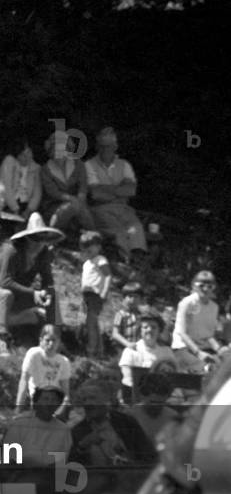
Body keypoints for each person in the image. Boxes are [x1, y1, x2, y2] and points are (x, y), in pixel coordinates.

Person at [0, 213, 62, 355]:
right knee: (6, 294)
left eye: (42, 240)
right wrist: (33, 293)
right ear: (27, 238)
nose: (38, 244)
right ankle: (1, 339)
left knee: (53, 295)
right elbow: (5, 282)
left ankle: (56, 338)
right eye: (35, 239)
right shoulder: (12, 250)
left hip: (19, 295)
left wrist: (46, 293)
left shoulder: (43, 254)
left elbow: (47, 279)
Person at [84, 127, 147, 264]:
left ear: (115, 146)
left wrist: (107, 190)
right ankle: (125, 259)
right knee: (118, 230)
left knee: (135, 226)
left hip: (123, 208)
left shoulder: (124, 165)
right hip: (100, 209)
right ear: (97, 147)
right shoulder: (89, 165)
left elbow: (131, 190)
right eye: (103, 146)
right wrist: (119, 191)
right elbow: (95, 194)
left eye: (109, 146)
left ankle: (138, 259)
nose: (106, 150)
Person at [172, 270, 226, 373]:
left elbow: (208, 336)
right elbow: (182, 333)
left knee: (224, 365)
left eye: (210, 286)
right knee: (205, 368)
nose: (205, 289)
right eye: (201, 285)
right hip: (183, 348)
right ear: (194, 286)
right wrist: (198, 353)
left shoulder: (214, 307)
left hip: (204, 348)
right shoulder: (187, 303)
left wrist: (220, 350)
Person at [118, 311, 177, 404]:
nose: (149, 330)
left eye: (153, 327)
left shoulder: (167, 352)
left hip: (163, 399)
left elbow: (175, 378)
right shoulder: (130, 351)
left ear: (159, 330)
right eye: (145, 327)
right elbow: (127, 380)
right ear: (140, 330)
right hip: (136, 400)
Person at [0, 136, 41, 233]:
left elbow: (37, 193)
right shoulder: (9, 161)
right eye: (22, 155)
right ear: (17, 155)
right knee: (11, 225)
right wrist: (15, 208)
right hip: (5, 205)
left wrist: (28, 211)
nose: (26, 157)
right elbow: (5, 188)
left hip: (24, 207)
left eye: (28, 153)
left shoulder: (36, 168)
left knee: (31, 222)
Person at [15, 324, 71, 414]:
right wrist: (18, 407)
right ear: (41, 340)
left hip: (56, 403)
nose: (51, 344)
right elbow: (24, 381)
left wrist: (60, 411)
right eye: (48, 340)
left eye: (54, 340)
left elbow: (66, 392)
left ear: (59, 342)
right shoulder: (34, 354)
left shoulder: (64, 361)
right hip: (38, 401)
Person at [80, 230, 112, 358]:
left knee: (91, 322)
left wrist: (104, 291)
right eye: (85, 247)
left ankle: (91, 350)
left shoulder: (100, 260)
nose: (87, 250)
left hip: (96, 295)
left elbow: (108, 275)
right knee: (92, 323)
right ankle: (99, 349)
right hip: (87, 295)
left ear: (98, 247)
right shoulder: (87, 263)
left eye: (90, 247)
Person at [111, 281, 144, 352]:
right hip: (123, 348)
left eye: (136, 297)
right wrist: (127, 343)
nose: (133, 300)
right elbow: (115, 333)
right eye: (130, 296)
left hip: (138, 348)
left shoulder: (142, 315)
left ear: (140, 299)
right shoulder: (121, 314)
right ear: (124, 298)